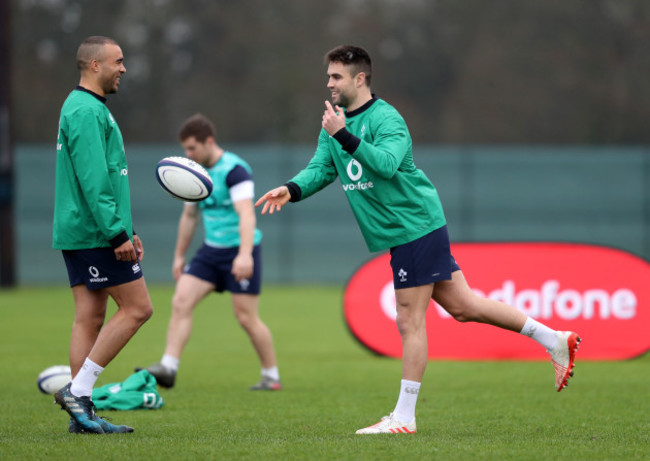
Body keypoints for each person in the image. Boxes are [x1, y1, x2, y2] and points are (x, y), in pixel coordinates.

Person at [255, 45, 581, 435]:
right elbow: (323, 168)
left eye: (337, 76)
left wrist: (343, 135)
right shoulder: (334, 122)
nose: (329, 83)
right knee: (465, 306)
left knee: (409, 320)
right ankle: (554, 339)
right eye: (328, 76)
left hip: (414, 225)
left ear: (360, 78)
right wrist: (292, 189)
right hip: (405, 229)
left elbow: (387, 165)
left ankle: (404, 419)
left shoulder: (387, 118)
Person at [52, 36, 154, 434]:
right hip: (95, 232)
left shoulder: (86, 108)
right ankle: (78, 392)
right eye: (118, 61)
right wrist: (117, 234)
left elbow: (105, 177)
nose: (124, 68)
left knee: (90, 318)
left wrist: (129, 230)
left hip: (85, 229)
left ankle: (83, 414)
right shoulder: (85, 110)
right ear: (95, 65)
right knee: (138, 309)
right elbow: (94, 180)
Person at [137, 114, 281, 391]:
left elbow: (246, 214)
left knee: (246, 317)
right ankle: (168, 367)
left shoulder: (234, 170)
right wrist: (179, 255)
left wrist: (245, 254)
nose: (188, 154)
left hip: (240, 250)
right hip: (210, 253)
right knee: (181, 301)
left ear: (209, 142)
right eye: (185, 149)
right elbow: (189, 216)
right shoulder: (195, 173)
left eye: (192, 148)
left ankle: (271, 375)